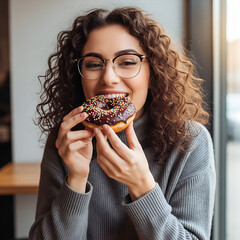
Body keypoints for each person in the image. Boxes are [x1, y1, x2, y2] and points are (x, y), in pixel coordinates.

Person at [29, 7, 216, 240]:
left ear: (154, 72)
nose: (108, 77)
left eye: (127, 62)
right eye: (94, 64)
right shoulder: (67, 139)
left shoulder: (190, 141)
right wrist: (75, 181)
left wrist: (142, 186)